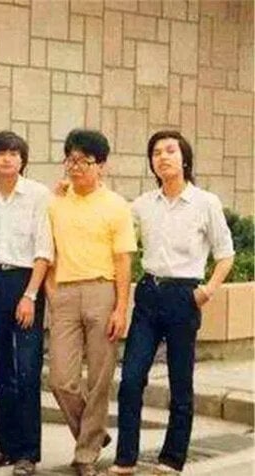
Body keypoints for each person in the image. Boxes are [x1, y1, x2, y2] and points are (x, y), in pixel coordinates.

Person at [109, 131, 234, 475]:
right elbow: (110, 219)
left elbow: (225, 255)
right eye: (156, 153)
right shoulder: (143, 204)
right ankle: (125, 458)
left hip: (184, 296)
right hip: (149, 294)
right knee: (132, 378)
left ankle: (171, 459)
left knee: (181, 381)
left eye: (170, 151)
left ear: (185, 158)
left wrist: (206, 290)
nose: (162, 157)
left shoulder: (205, 203)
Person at [46, 129, 136, 476]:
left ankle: (86, 453)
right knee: (60, 379)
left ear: (102, 166)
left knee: (99, 378)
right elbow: (47, 251)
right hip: (65, 294)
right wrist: (53, 292)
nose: (77, 167)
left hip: (103, 291)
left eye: (86, 161)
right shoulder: (56, 202)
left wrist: (120, 307)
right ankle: (94, 433)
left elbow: (123, 261)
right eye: (71, 160)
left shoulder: (115, 205)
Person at [0, 131, 53, 476]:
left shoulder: (38, 195)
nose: (7, 158)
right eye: (0, 153)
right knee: (1, 369)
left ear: (23, 159)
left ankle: (28, 453)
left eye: (13, 153)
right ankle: (4, 447)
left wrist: (30, 295)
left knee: (27, 369)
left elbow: (44, 250)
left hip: (26, 282)